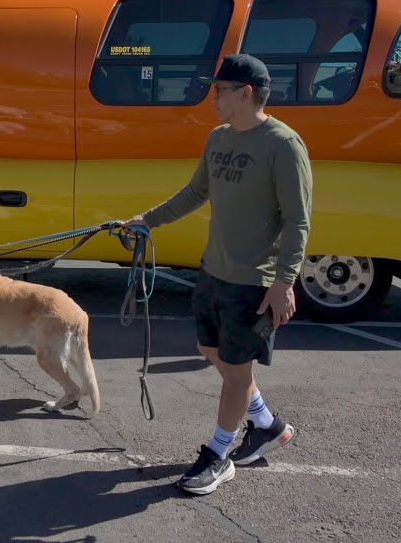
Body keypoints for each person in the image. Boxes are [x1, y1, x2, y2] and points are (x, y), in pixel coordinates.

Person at [123, 53, 313, 496]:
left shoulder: (283, 145)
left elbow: (298, 219)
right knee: (211, 349)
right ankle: (266, 424)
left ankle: (219, 454)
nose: (214, 97)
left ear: (245, 93)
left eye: (220, 90)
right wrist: (147, 220)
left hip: (254, 281)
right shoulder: (218, 138)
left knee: (236, 375)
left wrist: (285, 281)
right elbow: (196, 192)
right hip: (214, 270)